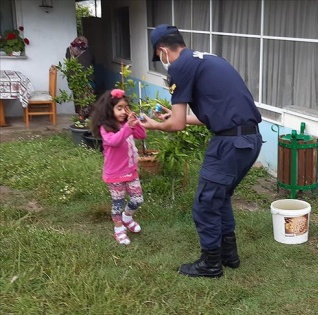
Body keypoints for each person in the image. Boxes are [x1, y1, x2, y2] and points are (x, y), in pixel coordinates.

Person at [140, 24, 263, 278]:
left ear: (162, 50)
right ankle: (229, 255)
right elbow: (215, 113)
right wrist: (174, 115)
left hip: (229, 144)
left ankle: (210, 264)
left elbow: (177, 124)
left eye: (159, 56)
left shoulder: (179, 67)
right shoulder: (208, 59)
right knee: (221, 197)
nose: (162, 61)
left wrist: (155, 125)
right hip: (249, 139)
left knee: (205, 203)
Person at [90, 89, 147, 245]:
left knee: (137, 199)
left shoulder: (126, 124)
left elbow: (142, 135)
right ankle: (118, 230)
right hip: (115, 175)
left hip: (131, 171)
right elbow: (115, 141)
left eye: (125, 107)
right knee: (118, 203)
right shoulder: (105, 128)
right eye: (119, 108)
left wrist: (135, 123)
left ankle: (127, 218)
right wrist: (128, 127)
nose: (123, 112)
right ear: (110, 109)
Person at [65, 36, 97, 115]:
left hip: (74, 77)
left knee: (78, 96)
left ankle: (80, 113)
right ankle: (87, 114)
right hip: (87, 77)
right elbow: (93, 60)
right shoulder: (88, 50)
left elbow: (67, 60)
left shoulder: (69, 50)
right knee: (88, 96)